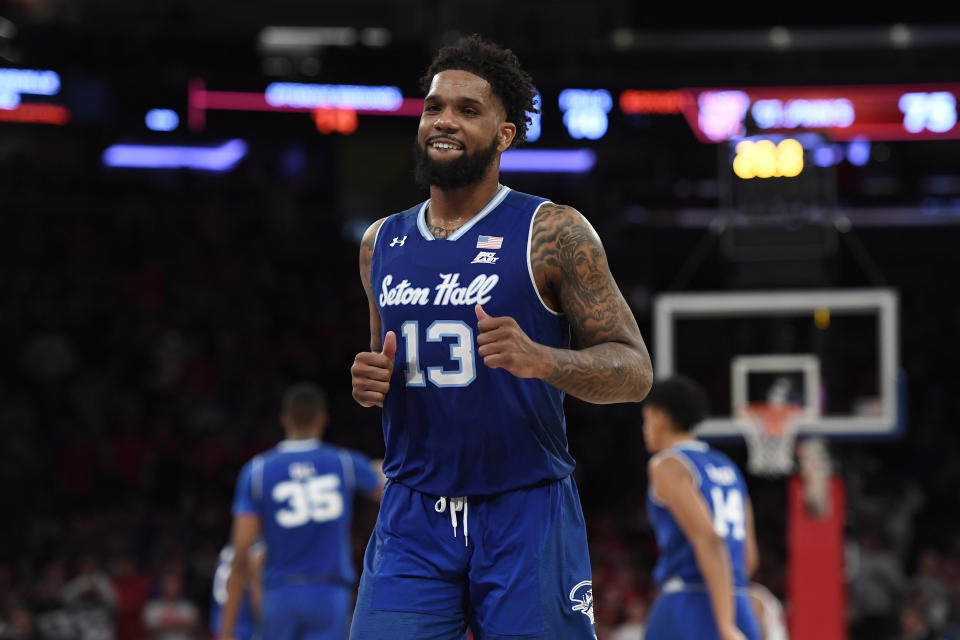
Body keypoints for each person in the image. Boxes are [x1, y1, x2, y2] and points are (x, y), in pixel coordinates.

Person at [349, 33, 653, 640]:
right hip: (413, 512)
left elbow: (635, 371)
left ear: (506, 133)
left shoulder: (554, 232)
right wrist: (368, 382)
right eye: (435, 107)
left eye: (467, 110)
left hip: (525, 507)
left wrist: (544, 360)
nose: (444, 121)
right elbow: (389, 366)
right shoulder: (379, 243)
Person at [219, 382, 385, 640]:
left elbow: (240, 554)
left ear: (284, 419)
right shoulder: (344, 463)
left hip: (279, 593)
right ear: (322, 419)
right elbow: (391, 492)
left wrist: (227, 628)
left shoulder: (257, 471)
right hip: (328, 593)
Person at [641, 375, 761, 640]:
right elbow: (748, 558)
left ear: (659, 416)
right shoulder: (728, 467)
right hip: (738, 601)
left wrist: (724, 624)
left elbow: (709, 539)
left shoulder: (668, 464)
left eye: (645, 419)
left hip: (689, 604)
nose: (645, 428)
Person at [209, 542, 264, 640]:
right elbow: (258, 600)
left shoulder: (227, 550)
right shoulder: (255, 550)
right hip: (243, 630)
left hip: (219, 627)